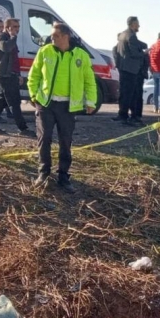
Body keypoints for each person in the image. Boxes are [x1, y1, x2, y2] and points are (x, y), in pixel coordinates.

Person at [28, 23, 97, 192]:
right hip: (46, 104)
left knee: (65, 141)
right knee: (44, 139)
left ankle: (63, 176)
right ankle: (43, 173)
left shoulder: (80, 55)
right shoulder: (45, 52)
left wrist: (91, 102)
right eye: (52, 36)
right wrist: (33, 95)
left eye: (55, 36)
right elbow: (34, 74)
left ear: (66, 36)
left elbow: (89, 81)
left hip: (68, 106)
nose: (51, 39)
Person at [0, 18, 34, 136]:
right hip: (4, 75)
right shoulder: (0, 37)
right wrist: (13, 37)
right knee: (15, 102)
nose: (17, 29)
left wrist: (18, 74)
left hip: (10, 74)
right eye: (14, 26)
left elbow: (14, 60)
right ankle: (23, 129)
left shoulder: (10, 38)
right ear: (7, 27)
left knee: (1, 101)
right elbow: (5, 48)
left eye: (18, 27)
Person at [113, 16, 147, 126]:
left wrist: (143, 45)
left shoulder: (123, 35)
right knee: (131, 94)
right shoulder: (131, 36)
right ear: (132, 24)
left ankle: (122, 114)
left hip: (123, 68)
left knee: (124, 92)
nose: (139, 26)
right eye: (137, 24)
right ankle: (131, 117)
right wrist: (144, 53)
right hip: (131, 70)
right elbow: (134, 53)